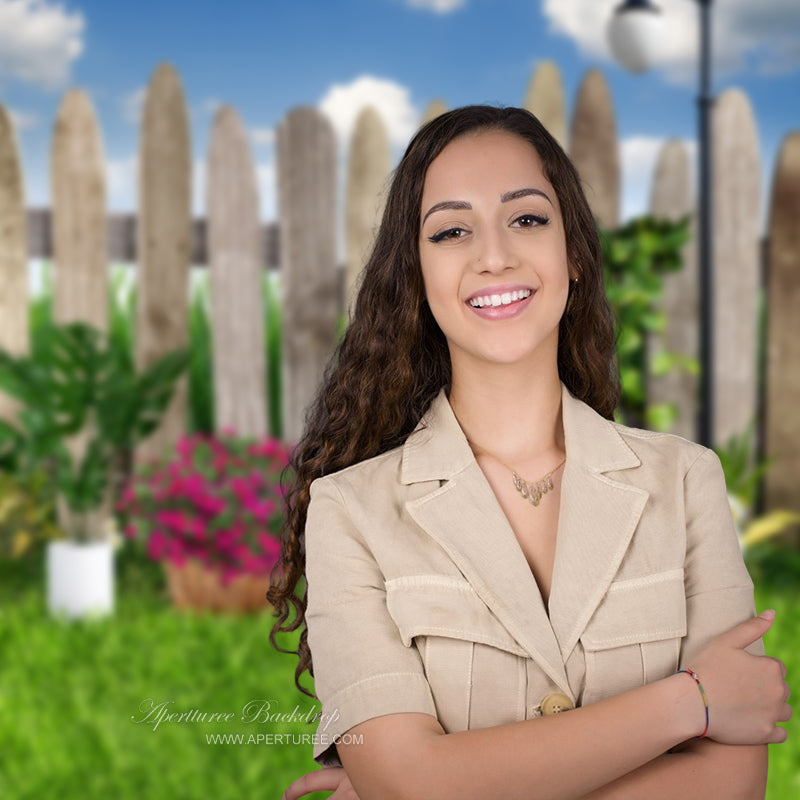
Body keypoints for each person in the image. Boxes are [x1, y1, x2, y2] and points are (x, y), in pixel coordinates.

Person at [268, 105, 791, 800]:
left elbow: (732, 786)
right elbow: (409, 785)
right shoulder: (349, 512)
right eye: (452, 231)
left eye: (527, 218)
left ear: (572, 251)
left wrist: (438, 782)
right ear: (416, 277)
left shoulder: (687, 482)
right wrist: (690, 702)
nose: (494, 255)